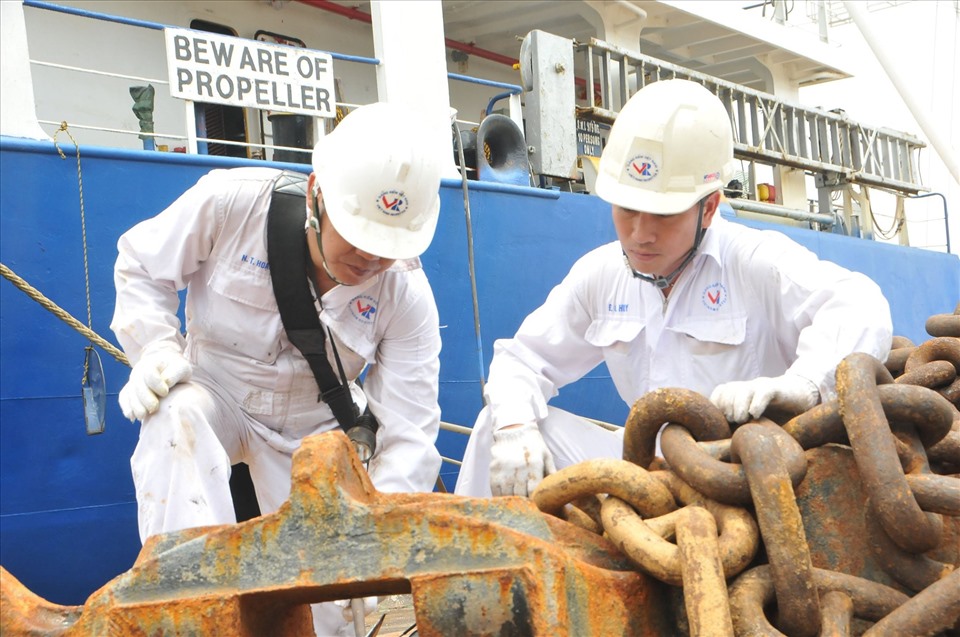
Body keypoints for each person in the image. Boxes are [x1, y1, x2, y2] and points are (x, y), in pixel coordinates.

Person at [453, 79, 893, 498]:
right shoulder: (601, 274)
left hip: (743, 475)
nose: (640, 234)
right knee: (498, 423)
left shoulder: (752, 262)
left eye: (663, 215)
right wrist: (515, 430)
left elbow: (859, 303)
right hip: (648, 467)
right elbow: (524, 359)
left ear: (710, 207)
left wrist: (804, 383)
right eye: (627, 209)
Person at [111, 102, 444, 636]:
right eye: (358, 237)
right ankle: (189, 606)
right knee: (175, 419)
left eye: (388, 249)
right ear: (316, 196)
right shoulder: (230, 204)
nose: (370, 260)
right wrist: (152, 348)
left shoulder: (405, 295)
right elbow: (141, 266)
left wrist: (374, 538)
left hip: (312, 432)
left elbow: (410, 434)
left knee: (331, 605)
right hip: (217, 394)